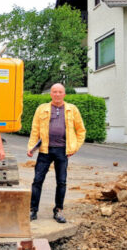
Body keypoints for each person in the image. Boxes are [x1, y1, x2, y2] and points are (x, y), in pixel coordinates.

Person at [27, 84, 86, 223]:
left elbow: (81, 130)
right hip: (44, 150)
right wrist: (31, 147)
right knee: (37, 181)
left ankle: (58, 210)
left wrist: (74, 147)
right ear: (51, 94)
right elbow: (35, 130)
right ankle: (33, 210)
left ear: (64, 94)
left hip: (62, 151)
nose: (57, 94)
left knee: (62, 182)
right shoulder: (41, 109)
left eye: (60, 92)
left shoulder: (72, 109)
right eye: (55, 92)